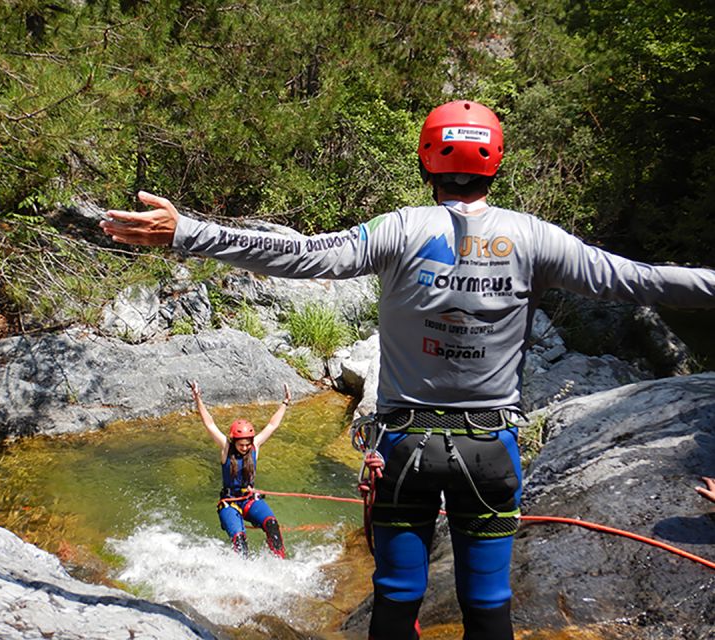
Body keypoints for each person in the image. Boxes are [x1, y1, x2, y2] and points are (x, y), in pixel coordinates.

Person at [100, 100, 715, 640]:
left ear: (427, 162)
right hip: (490, 449)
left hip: (405, 449)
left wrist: (190, 233)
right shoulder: (534, 237)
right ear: (494, 164)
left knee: (396, 599)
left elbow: (301, 256)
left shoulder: (398, 229)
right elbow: (639, 279)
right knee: (490, 605)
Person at [189, 379, 291, 558]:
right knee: (240, 540)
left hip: (249, 499)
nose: (244, 448)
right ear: (234, 441)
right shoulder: (226, 448)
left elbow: (272, 426)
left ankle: (280, 561)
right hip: (230, 503)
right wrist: (198, 399)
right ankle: (244, 571)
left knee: (272, 524)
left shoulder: (255, 447)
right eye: (241, 444)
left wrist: (285, 403)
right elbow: (210, 424)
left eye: (247, 444)